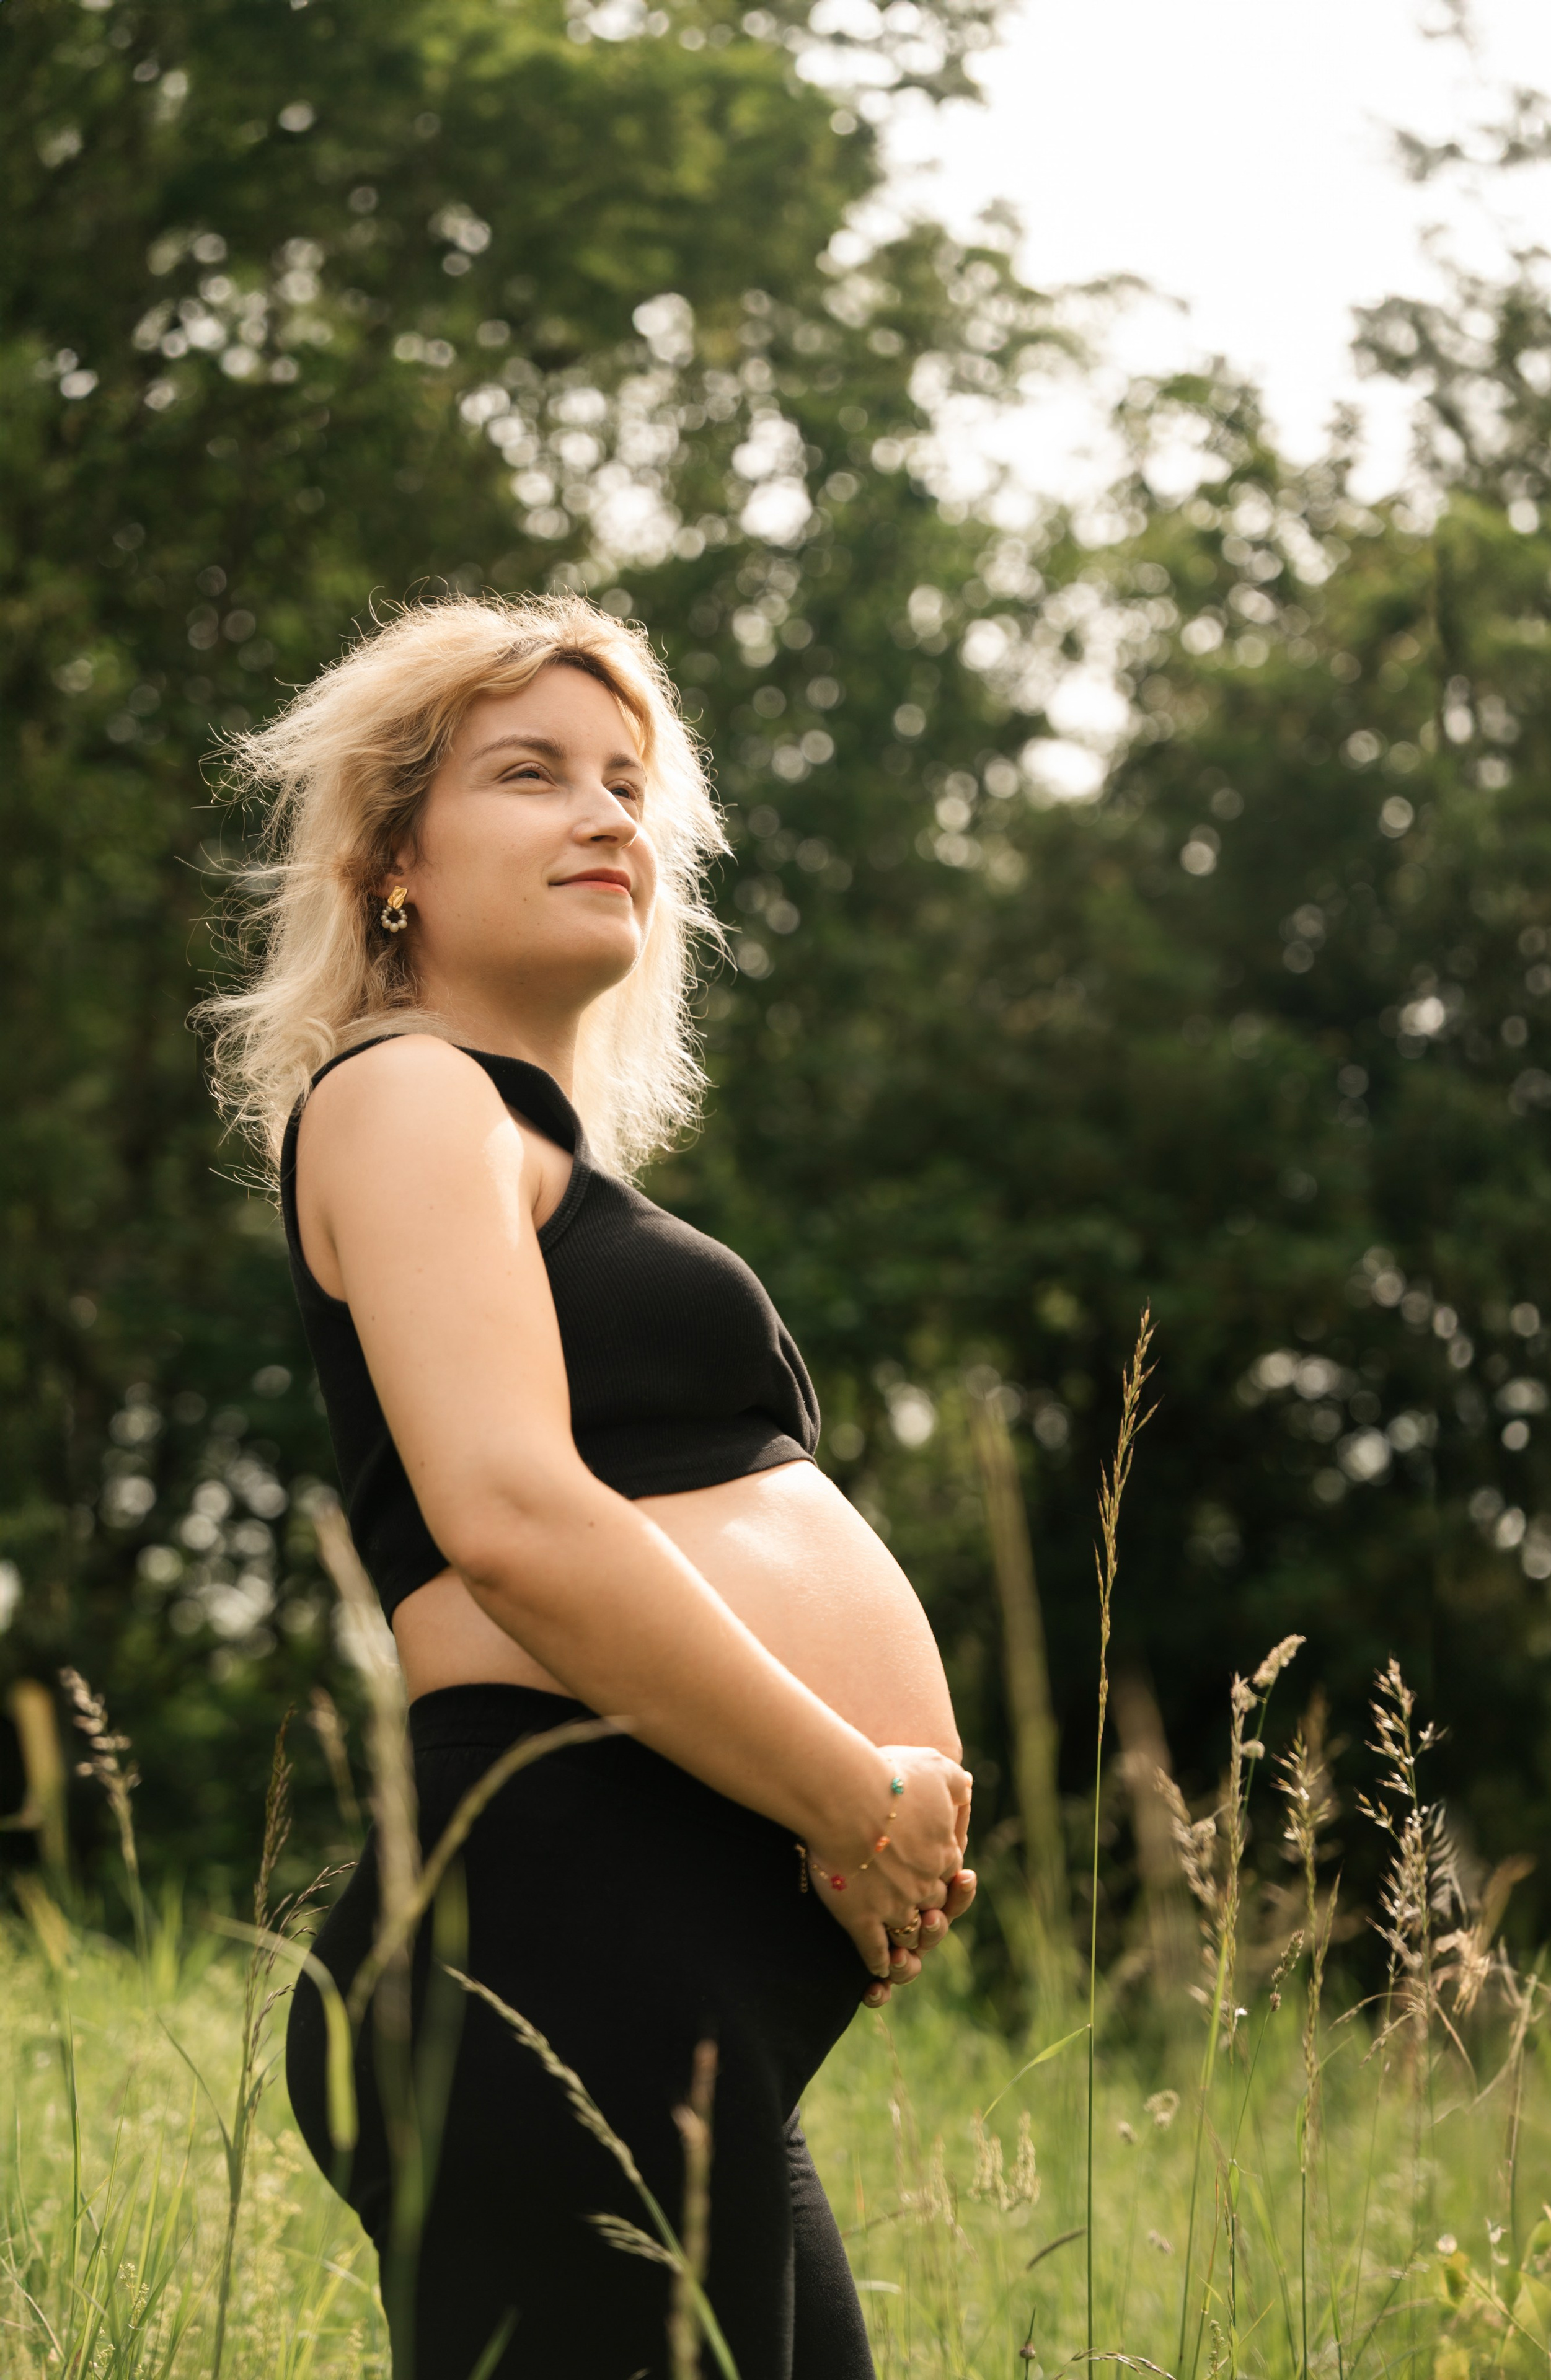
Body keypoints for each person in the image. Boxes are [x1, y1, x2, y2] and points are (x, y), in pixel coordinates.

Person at [203, 593, 974, 2379]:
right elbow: (514, 1519)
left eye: (630, 784)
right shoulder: (404, 1092)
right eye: (532, 774)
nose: (608, 814)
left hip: (653, 1989)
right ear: (393, 857)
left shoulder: (533, 1152)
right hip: (555, 1934)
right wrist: (855, 1796)